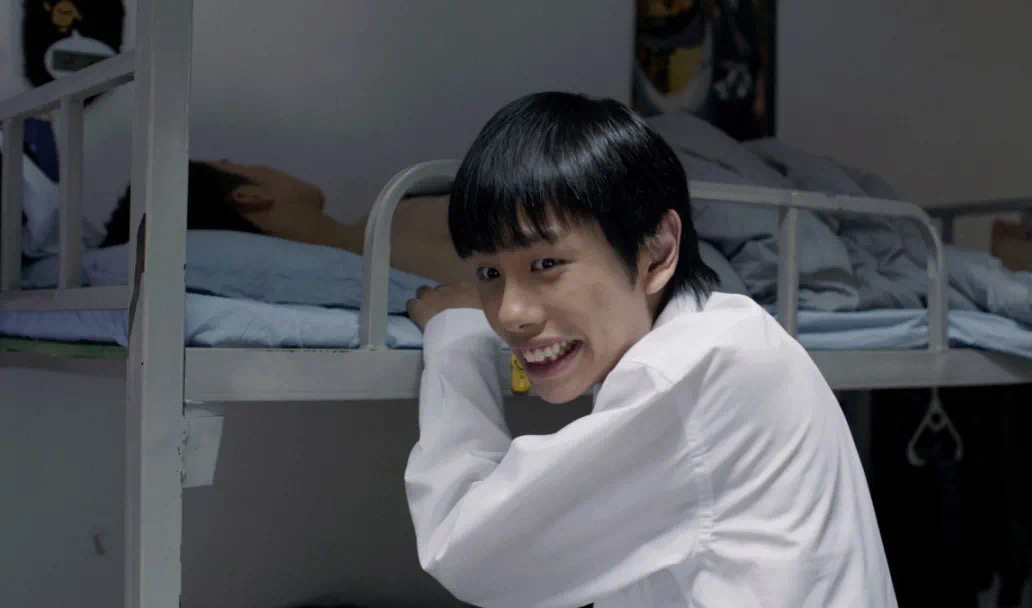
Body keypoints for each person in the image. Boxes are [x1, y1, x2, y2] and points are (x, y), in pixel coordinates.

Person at [402, 92, 896, 607]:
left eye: (546, 264)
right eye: (488, 273)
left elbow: (467, 551)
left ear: (657, 251)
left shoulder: (691, 372)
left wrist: (456, 340)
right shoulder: (726, 337)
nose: (509, 314)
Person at [99, 159, 472, 284]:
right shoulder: (398, 230)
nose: (260, 164)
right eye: (235, 163)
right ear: (250, 195)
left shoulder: (393, 218)